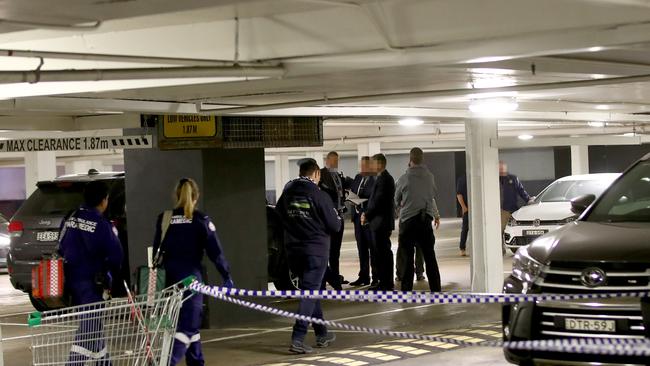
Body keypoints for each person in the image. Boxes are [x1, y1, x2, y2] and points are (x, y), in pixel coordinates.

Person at [153, 178, 234, 366]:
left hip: (169, 282)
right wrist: (226, 276)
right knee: (188, 327)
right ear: (196, 197)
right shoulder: (201, 220)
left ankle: (196, 362)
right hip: (191, 281)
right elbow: (216, 253)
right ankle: (167, 362)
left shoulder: (164, 219)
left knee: (186, 325)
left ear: (176, 196)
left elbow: (157, 252)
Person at [276, 159, 340, 354]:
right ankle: (298, 338)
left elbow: (278, 215)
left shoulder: (287, 192)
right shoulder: (319, 195)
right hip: (315, 251)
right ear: (316, 174)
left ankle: (322, 333)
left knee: (310, 291)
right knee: (309, 293)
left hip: (293, 251)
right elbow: (335, 225)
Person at [59, 180, 124, 365]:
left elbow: (61, 245)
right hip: (92, 285)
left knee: (93, 327)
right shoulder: (103, 224)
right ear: (103, 200)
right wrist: (111, 275)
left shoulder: (70, 217)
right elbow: (116, 256)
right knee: (88, 330)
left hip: (71, 283)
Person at [394, 148, 442, 292]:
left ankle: (407, 289)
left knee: (408, 258)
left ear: (410, 159)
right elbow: (432, 194)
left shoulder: (404, 178)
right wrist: (435, 214)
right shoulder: (430, 177)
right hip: (425, 221)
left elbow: (396, 199)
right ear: (422, 159)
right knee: (430, 257)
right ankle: (436, 289)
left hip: (408, 222)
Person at [362, 154, 396, 291]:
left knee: (383, 254)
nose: (371, 166)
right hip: (378, 222)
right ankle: (383, 282)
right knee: (380, 254)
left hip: (381, 223)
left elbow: (378, 202)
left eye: (374, 163)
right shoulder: (382, 178)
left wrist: (367, 214)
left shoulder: (385, 179)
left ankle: (386, 283)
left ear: (380, 164)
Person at [319, 151, 351, 289]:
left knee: (335, 251)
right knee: (325, 251)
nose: (335, 164)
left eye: (337, 161)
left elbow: (340, 193)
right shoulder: (321, 174)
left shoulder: (338, 175)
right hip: (327, 218)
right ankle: (323, 281)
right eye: (333, 161)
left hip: (339, 215)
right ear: (327, 160)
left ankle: (336, 278)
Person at [349, 156, 377, 286]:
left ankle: (375, 277)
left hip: (369, 218)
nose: (362, 168)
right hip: (357, 217)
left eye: (365, 166)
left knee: (373, 248)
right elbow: (353, 191)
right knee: (361, 248)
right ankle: (364, 276)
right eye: (361, 165)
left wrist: (363, 202)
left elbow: (373, 197)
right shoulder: (358, 177)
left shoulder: (374, 179)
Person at [499, 161, 533, 238]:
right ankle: (501, 248)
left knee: (515, 230)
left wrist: (528, 199)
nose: (501, 169)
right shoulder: (494, 179)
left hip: (514, 210)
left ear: (505, 168)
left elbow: (521, 190)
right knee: (501, 230)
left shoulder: (513, 178)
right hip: (503, 211)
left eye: (502, 167)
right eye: (499, 167)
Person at [457, 175, 469, 257]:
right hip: (467, 209)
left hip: (478, 209)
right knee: (465, 229)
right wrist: (464, 207)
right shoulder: (462, 179)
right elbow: (459, 194)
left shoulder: (478, 178)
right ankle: (462, 248)